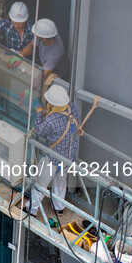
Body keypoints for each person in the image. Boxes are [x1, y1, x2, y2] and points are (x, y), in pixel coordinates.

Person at [24, 85, 81, 217]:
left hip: (52, 158)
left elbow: (38, 130)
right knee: (60, 182)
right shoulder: (73, 109)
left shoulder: (51, 121)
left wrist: (39, 112)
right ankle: (58, 208)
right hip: (68, 156)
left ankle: (31, 209)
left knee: (40, 183)